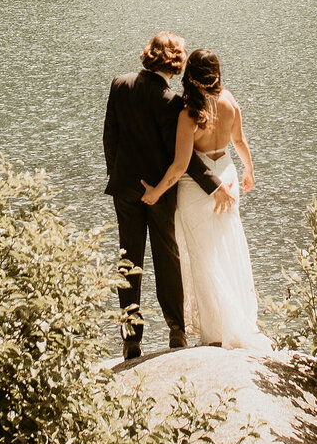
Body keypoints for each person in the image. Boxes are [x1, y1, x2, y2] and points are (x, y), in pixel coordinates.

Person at [102, 31, 225, 360]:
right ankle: (176, 329)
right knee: (166, 258)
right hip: (160, 191)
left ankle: (131, 338)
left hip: (126, 188)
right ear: (175, 63)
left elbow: (109, 137)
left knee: (128, 261)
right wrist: (215, 183)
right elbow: (182, 159)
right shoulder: (172, 102)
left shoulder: (119, 84)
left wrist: (117, 175)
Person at [141, 48, 266, 349]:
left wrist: (156, 192)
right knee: (228, 250)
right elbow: (240, 141)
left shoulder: (190, 114)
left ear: (190, 77)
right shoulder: (230, 101)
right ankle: (236, 322)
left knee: (202, 257)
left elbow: (181, 166)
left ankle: (214, 333)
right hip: (227, 175)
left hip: (198, 190)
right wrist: (249, 169)